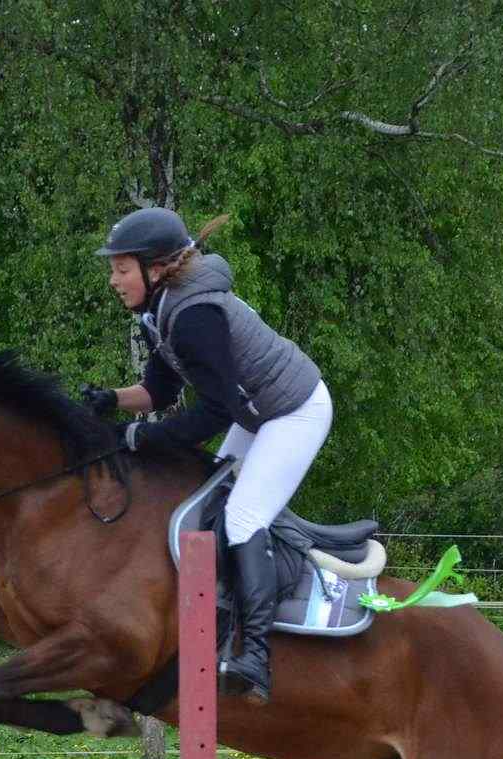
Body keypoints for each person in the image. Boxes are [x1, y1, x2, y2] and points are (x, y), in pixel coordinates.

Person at [82, 206, 331, 704]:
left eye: (121, 268)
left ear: (155, 269)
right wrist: (112, 401)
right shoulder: (164, 309)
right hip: (255, 413)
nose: (113, 279)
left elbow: (216, 412)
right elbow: (159, 390)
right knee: (206, 504)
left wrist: (138, 438)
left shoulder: (193, 316)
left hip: (294, 411)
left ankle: (257, 658)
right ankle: (223, 619)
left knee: (240, 518)